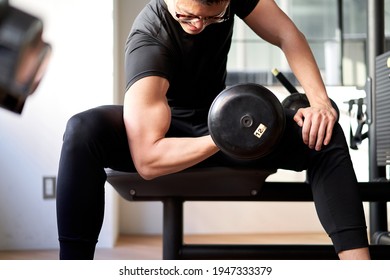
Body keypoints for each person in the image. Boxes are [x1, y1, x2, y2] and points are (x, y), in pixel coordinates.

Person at [56, 0, 371, 260]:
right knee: (83, 129)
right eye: (187, 15)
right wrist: (226, 137)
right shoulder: (149, 39)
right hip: (170, 138)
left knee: (323, 134)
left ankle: (359, 267)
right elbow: (148, 160)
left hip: (221, 119)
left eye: (212, 17)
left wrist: (320, 103)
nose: (197, 25)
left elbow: (287, 34)